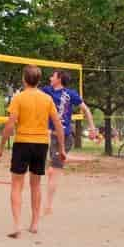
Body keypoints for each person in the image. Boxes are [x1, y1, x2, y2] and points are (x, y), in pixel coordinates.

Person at [0, 65, 66, 239]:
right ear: (38, 80)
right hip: (41, 144)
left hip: (22, 143)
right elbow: (58, 125)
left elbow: (10, 125)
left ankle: (17, 225)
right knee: (35, 185)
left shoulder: (19, 98)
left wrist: (1, 147)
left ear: (24, 79)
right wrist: (62, 148)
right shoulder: (47, 99)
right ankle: (34, 224)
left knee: (16, 186)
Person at [41, 70, 96, 216]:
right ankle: (73, 159)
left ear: (59, 79)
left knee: (53, 171)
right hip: (52, 137)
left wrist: (92, 128)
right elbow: (32, 93)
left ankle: (48, 206)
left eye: (53, 76)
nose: (50, 78)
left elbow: (86, 109)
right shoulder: (46, 91)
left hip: (65, 137)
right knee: (52, 169)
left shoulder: (70, 94)